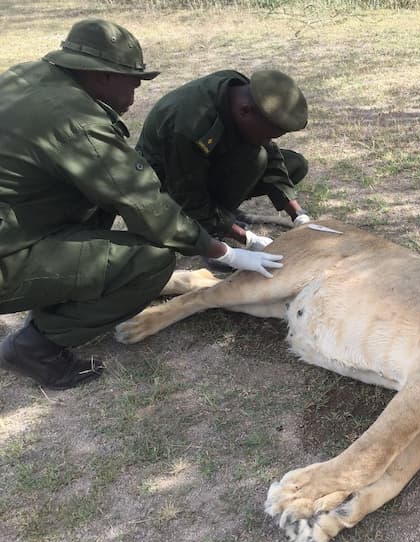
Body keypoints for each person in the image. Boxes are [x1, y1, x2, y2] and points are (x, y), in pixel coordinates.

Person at [0, 18, 284, 390]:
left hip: (20, 220)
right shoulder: (77, 122)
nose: (136, 89)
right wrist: (226, 252)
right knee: (151, 262)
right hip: (9, 254)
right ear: (102, 76)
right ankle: (34, 347)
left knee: (96, 204)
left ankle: (57, 300)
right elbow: (146, 205)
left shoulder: (27, 77)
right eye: (133, 79)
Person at [135, 68, 312, 254]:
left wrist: (298, 215)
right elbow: (189, 196)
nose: (268, 142)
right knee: (256, 159)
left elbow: (271, 153)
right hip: (165, 182)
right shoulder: (189, 127)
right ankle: (212, 232)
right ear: (245, 111)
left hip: (204, 161)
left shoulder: (243, 92)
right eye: (267, 135)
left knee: (294, 164)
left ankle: (221, 215)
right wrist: (246, 238)